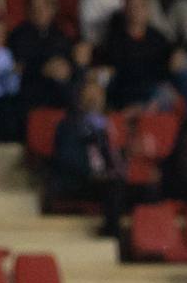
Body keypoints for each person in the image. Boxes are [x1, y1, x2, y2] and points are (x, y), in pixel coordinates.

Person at [46, 80, 143, 234]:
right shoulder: (69, 125)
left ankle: (146, 244)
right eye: (89, 94)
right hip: (81, 181)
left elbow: (111, 155)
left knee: (150, 191)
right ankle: (112, 237)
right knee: (113, 187)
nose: (94, 99)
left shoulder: (108, 124)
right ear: (80, 98)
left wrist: (126, 154)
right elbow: (67, 158)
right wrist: (94, 173)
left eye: (98, 94)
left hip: (109, 180)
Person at [96, 0, 187, 112]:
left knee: (185, 69)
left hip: (157, 84)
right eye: (134, 7)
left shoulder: (156, 36)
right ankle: (142, 112)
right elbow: (117, 72)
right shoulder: (116, 40)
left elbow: (171, 52)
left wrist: (177, 54)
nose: (138, 11)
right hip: (129, 87)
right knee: (163, 94)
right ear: (126, 11)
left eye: (141, 6)